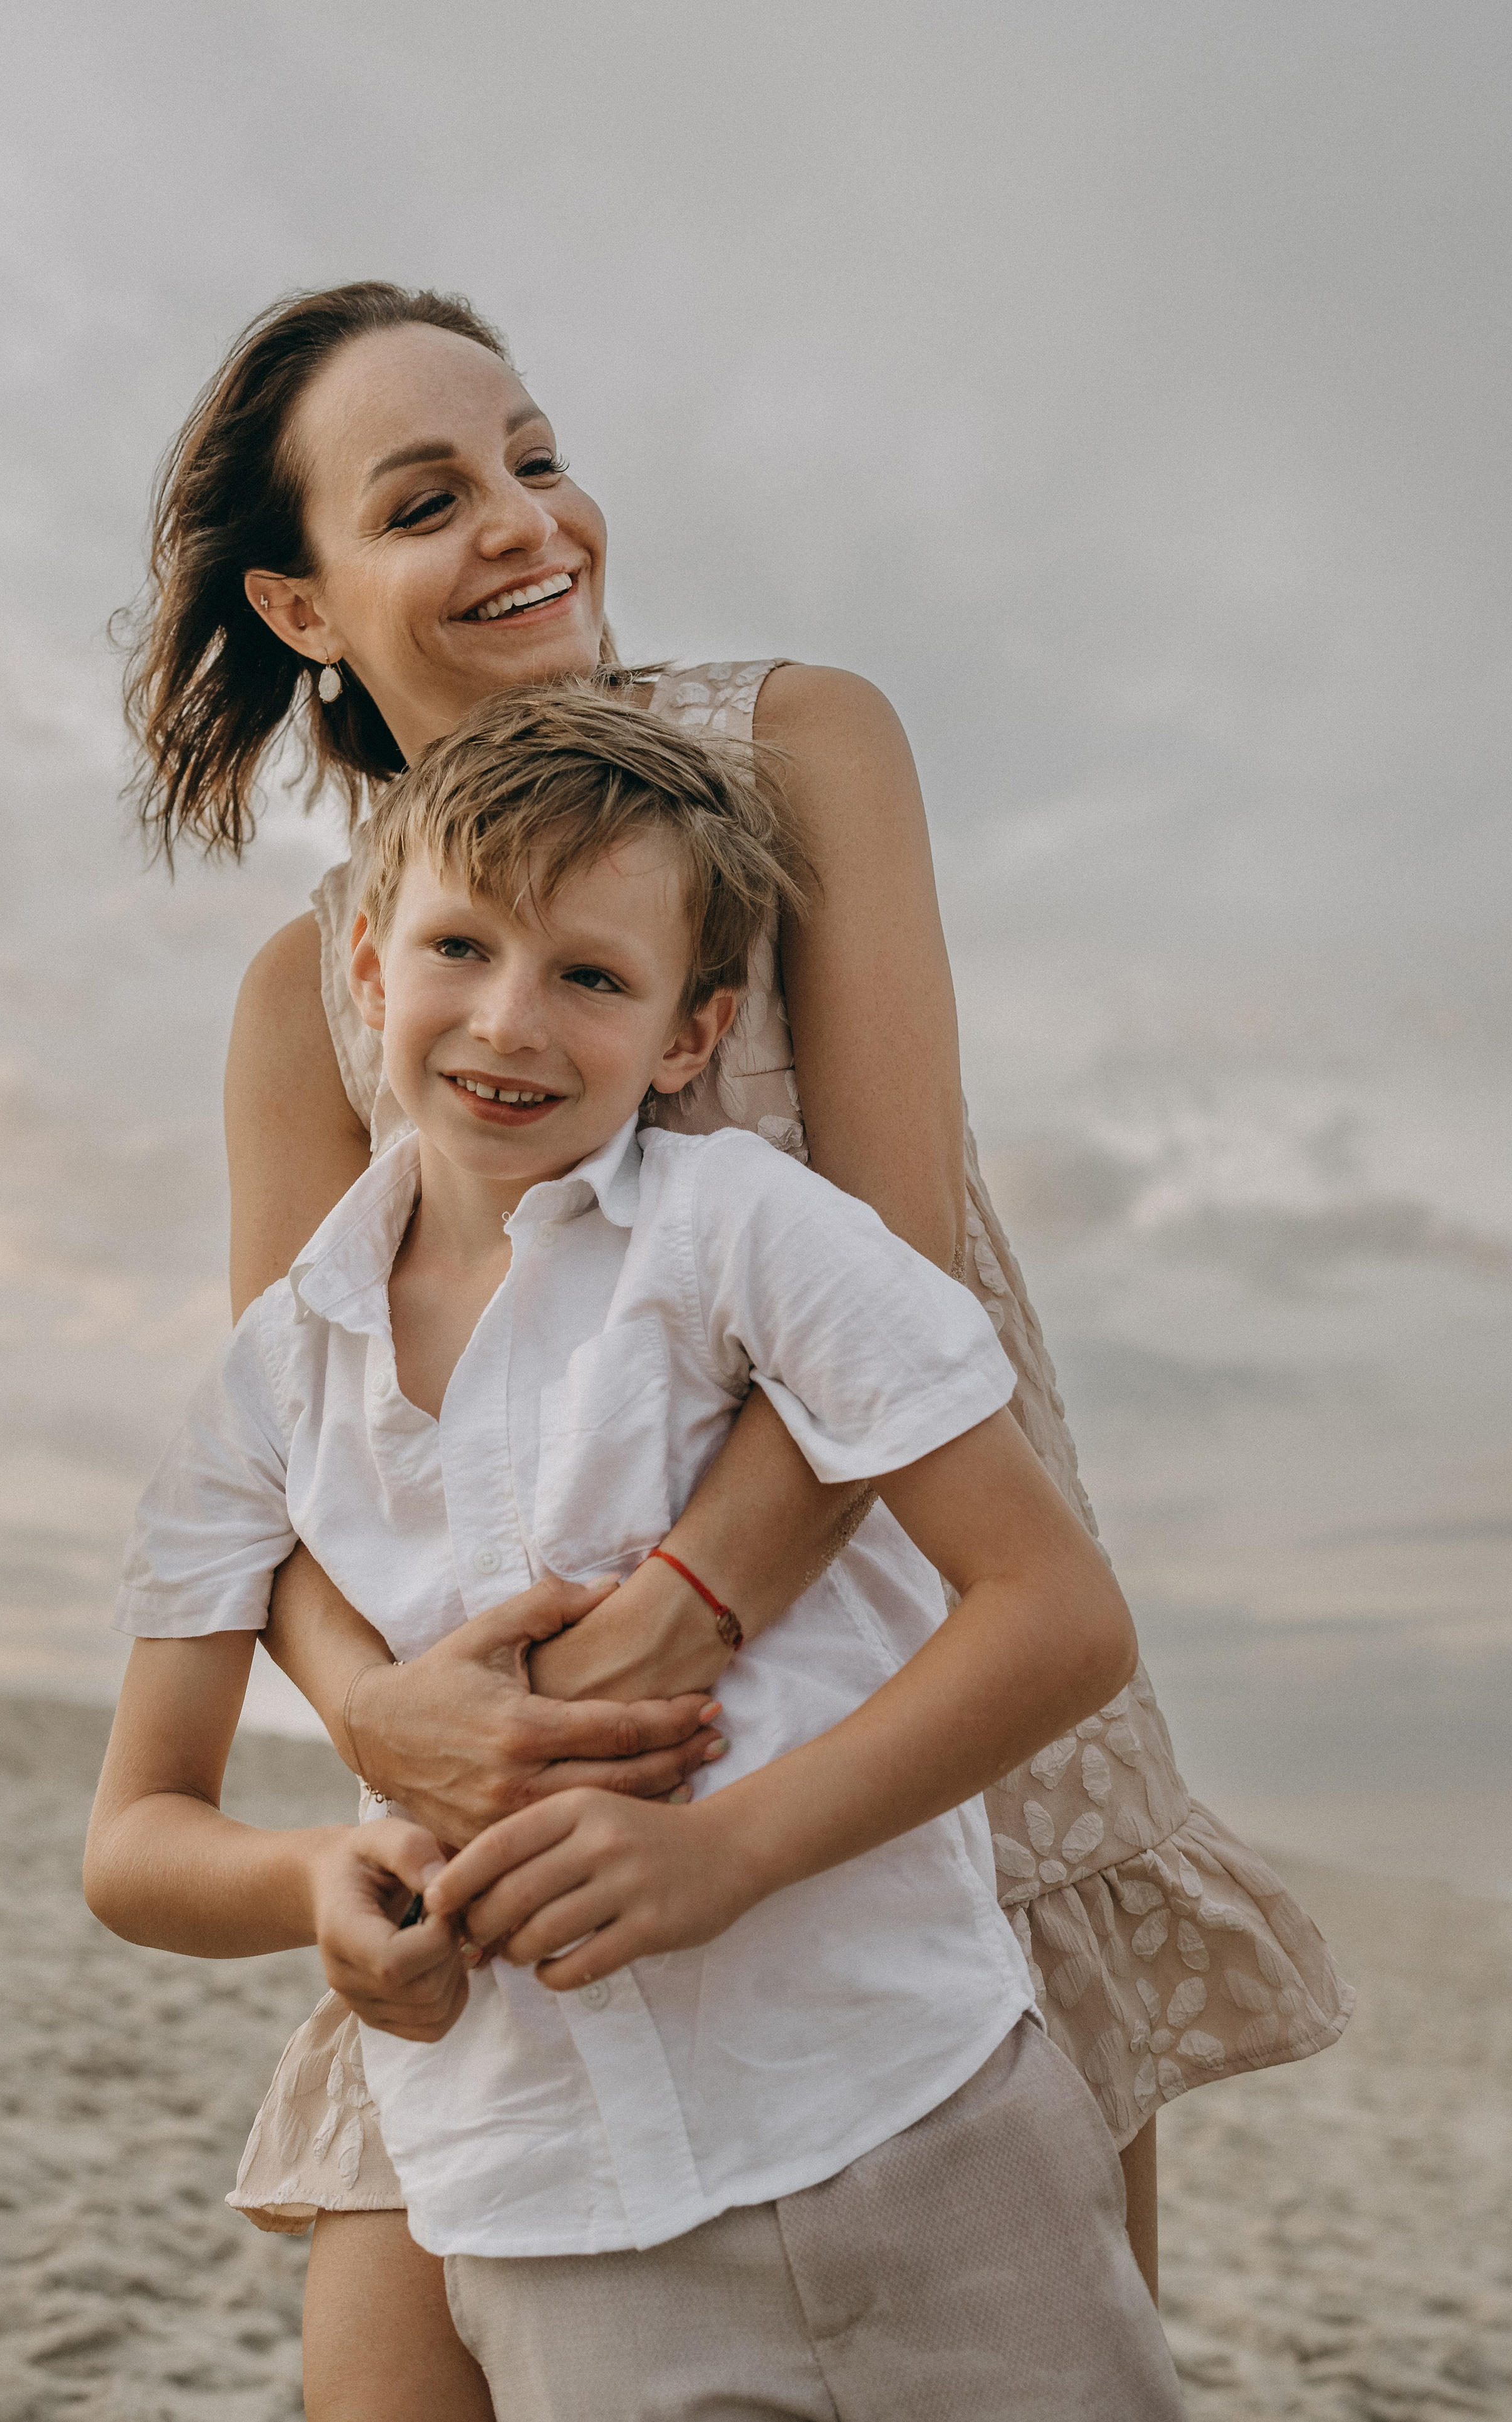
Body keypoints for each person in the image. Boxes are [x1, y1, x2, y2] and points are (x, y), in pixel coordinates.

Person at [117, 281, 1351, 2421]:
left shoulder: (798, 742)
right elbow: (288, 1456)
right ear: (304, 606)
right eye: (430, 499)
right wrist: (393, 1719)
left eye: (532, 453)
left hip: (904, 1685)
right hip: (526, 1793)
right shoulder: (297, 994)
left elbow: (890, 1271)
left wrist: (672, 1625)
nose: (527, 520)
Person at [86, 689, 1188, 2420]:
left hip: (914, 2103)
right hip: (552, 2210)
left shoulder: (749, 1233)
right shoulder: (268, 1382)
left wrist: (725, 1853)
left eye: (593, 976)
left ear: (694, 1032)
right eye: (460, 946)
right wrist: (312, 1880)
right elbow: (135, 1837)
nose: (509, 1019)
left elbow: (1060, 1619)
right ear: (367, 971)